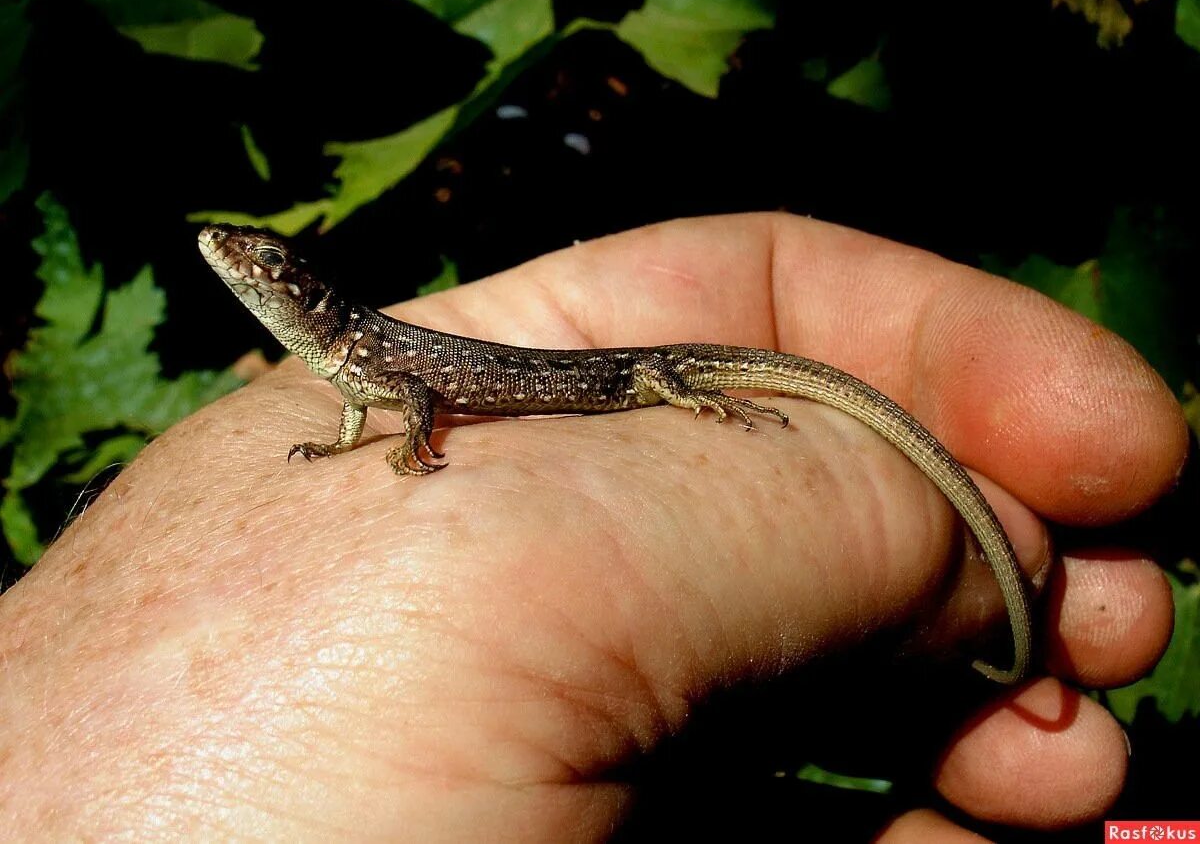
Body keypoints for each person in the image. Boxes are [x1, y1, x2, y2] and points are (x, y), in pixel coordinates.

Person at [0, 213, 1184, 839]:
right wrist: (346, 436)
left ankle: (1168, 829)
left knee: (673, 384)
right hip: (604, 371)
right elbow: (374, 390)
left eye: (250, 263)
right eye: (239, 264)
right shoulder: (343, 354)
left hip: (641, 371)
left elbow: (413, 398)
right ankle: (1164, 829)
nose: (232, 268)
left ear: (287, 292)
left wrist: (418, 448)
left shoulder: (362, 348)